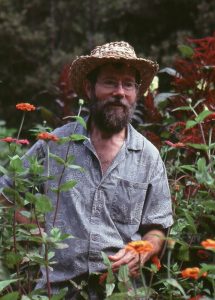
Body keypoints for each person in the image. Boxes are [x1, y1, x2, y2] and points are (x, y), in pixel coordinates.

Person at [0, 41, 173, 299]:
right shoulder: (56, 145)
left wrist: (146, 248)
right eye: (110, 82)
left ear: (136, 93)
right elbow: (5, 193)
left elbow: (158, 226)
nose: (120, 92)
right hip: (57, 291)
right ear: (89, 88)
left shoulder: (148, 157)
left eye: (128, 84)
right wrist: (38, 230)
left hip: (120, 291)